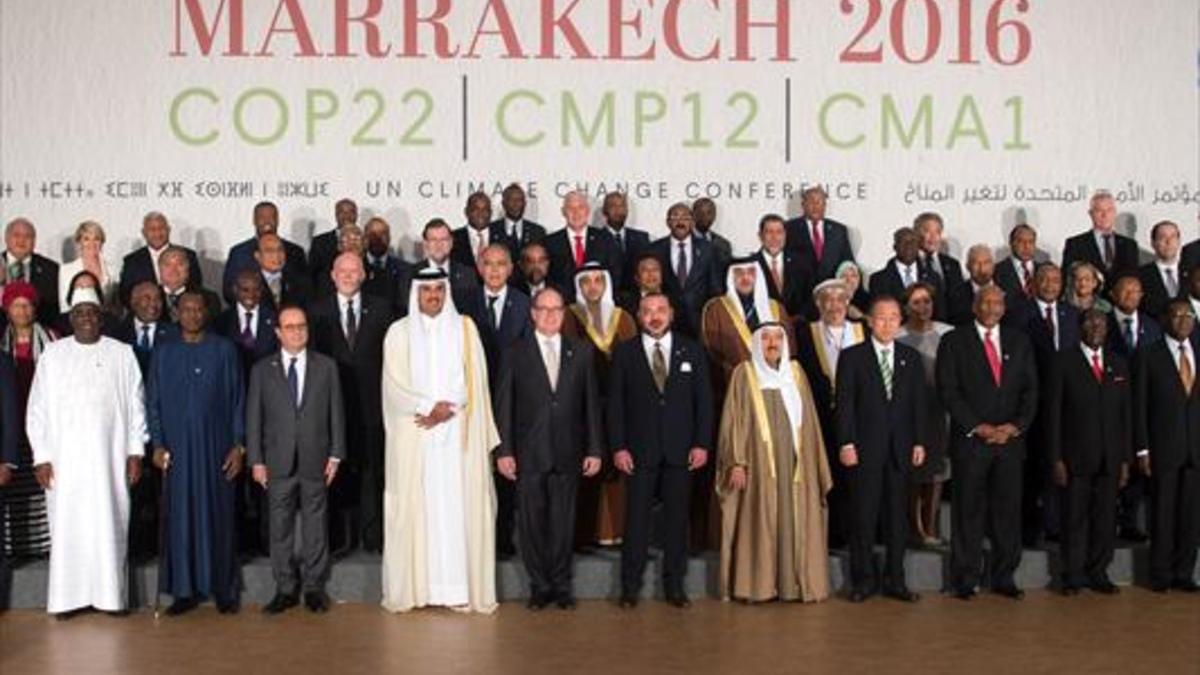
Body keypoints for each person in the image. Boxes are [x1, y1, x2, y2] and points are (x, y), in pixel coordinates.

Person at [380, 269, 499, 613]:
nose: (432, 295)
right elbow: (392, 386)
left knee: (456, 509)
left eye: (438, 289)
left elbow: (476, 378)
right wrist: (427, 408)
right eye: (426, 289)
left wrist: (448, 408)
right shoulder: (398, 333)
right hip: (416, 435)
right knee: (421, 510)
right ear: (415, 294)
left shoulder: (465, 328)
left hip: (457, 436)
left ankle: (458, 589)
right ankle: (420, 589)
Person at [28, 288, 146, 617]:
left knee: (109, 522)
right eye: (79, 313)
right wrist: (42, 456)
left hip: (110, 458)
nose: (86, 319)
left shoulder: (122, 353)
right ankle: (67, 599)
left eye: (92, 313)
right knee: (68, 524)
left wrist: (135, 451)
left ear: (101, 317)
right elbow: (37, 409)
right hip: (65, 462)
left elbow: (137, 405)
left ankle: (109, 597)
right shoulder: (53, 354)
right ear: (70, 319)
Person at [495, 287, 602, 609]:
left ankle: (560, 584)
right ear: (533, 313)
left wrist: (595, 449)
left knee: (563, 522)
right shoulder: (515, 352)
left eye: (557, 309)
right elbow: (504, 405)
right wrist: (504, 451)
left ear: (564, 313)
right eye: (543, 309)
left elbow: (591, 406)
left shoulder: (581, 352)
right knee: (531, 523)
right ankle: (539, 585)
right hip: (529, 453)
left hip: (569, 451)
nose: (551, 315)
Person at [608, 293, 712, 608]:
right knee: (636, 521)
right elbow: (615, 406)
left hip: (681, 451)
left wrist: (701, 443)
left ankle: (674, 586)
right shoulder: (624, 353)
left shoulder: (691, 350)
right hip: (638, 452)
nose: (654, 316)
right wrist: (619, 447)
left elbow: (704, 403)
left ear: (671, 314)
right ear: (639, 317)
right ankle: (629, 587)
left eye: (660, 310)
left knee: (677, 522)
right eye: (648, 311)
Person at [716, 322, 831, 603]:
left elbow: (811, 423)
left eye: (778, 338)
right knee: (761, 518)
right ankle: (760, 586)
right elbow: (734, 421)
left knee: (794, 519)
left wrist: (815, 463)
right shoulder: (745, 374)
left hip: (795, 464)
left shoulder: (796, 373)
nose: (772, 343)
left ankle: (793, 585)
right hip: (758, 465)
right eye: (765, 337)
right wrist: (737, 461)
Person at [936, 286, 1038, 600]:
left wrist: (1015, 426)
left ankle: (1004, 576)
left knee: (1007, 511)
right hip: (972, 443)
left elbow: (1031, 390)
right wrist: (977, 426)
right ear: (975, 305)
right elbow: (949, 390)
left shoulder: (1019, 341)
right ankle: (965, 578)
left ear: (1004, 308)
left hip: (1009, 443)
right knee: (968, 511)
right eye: (986, 301)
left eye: (998, 302)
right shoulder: (954, 340)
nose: (992, 307)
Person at [147, 293, 245, 615]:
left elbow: (237, 401)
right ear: (176, 313)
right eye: (186, 309)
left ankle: (223, 589)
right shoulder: (164, 353)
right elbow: (154, 404)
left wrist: (238, 445)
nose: (192, 314)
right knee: (181, 519)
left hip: (216, 449)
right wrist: (158, 444)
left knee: (218, 516)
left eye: (198, 308)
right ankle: (184, 591)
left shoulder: (224, 349)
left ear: (207, 312)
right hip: (177, 452)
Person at [248, 305, 346, 614]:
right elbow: (254, 418)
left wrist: (336, 453)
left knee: (316, 524)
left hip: (316, 458)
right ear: (278, 332)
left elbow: (336, 413)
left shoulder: (326, 366)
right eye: (289, 327)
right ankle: (285, 588)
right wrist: (256, 460)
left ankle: (314, 587)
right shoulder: (263, 369)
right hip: (276, 461)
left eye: (301, 325)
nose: (297, 331)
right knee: (280, 527)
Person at [836, 296, 926, 602]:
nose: (887, 323)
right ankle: (863, 581)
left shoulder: (910, 358)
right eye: (881, 318)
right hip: (864, 450)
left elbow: (918, 405)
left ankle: (896, 580)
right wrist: (846, 442)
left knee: (897, 519)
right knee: (863, 517)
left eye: (893, 318)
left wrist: (919, 441)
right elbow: (845, 405)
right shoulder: (852, 357)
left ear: (900, 321)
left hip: (900, 450)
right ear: (870, 322)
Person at [310, 253, 393, 555]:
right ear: (332, 274)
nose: (348, 275)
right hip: (331, 408)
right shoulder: (316, 310)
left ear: (363, 275)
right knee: (337, 473)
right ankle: (340, 538)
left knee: (373, 471)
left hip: (372, 406)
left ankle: (373, 537)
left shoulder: (383, 309)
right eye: (342, 270)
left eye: (354, 270)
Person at [1045, 308, 1131, 595]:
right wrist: (1056, 457)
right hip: (1075, 458)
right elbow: (1053, 413)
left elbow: (1124, 417)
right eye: (1090, 322)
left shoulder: (1118, 364)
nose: (1096, 327)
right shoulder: (1062, 362)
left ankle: (1099, 572)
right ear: (1079, 327)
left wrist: (1124, 461)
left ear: (1107, 328)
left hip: (1110, 457)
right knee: (1075, 519)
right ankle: (1072, 575)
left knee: (1106, 519)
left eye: (1101, 323)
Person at [562, 262, 637, 547]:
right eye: (586, 282)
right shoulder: (569, 316)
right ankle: (583, 536)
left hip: (619, 406)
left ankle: (615, 532)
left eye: (598, 281)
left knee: (617, 469)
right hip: (580, 408)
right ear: (579, 286)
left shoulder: (624, 319)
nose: (592, 287)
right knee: (586, 468)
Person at [464, 243, 531, 559]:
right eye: (487, 263)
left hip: (512, 402)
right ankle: (472, 540)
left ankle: (502, 539)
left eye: (500, 264)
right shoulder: (462, 302)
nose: (493, 270)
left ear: (510, 269)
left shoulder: (525, 304)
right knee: (472, 472)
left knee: (506, 471)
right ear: (479, 267)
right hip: (470, 401)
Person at [793, 278, 866, 547]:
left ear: (848, 303)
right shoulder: (805, 334)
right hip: (819, 418)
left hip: (858, 420)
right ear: (818, 304)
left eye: (840, 299)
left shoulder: (862, 331)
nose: (834, 305)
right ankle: (827, 536)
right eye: (828, 300)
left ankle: (854, 536)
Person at [1134, 300, 1200, 593]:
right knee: (1162, 513)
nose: (1184, 320)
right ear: (1165, 320)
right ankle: (1160, 573)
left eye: (1189, 315)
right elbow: (1139, 407)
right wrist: (1142, 449)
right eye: (1177, 315)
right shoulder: (1149, 355)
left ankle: (1184, 573)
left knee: (1191, 517)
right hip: (1163, 449)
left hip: (1196, 451)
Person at [108, 280, 176, 561]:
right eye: (145, 297)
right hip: (127, 425)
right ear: (132, 302)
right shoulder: (115, 336)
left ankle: (166, 549)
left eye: (157, 298)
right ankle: (134, 550)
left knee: (165, 491)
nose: (153, 303)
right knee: (132, 489)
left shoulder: (173, 333)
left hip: (166, 424)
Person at [1019, 263, 1079, 545]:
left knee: (1059, 464)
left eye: (1056, 279)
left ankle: (1055, 525)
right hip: (1032, 401)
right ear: (1034, 283)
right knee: (1031, 467)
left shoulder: (1072, 315)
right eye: (1045, 279)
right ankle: (1030, 528)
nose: (1051, 284)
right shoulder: (1020, 314)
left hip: (1066, 404)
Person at [896, 283, 952, 546]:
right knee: (913, 471)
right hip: (907, 413)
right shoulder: (896, 335)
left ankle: (930, 528)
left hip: (939, 410)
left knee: (937, 471)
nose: (922, 308)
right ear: (906, 306)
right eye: (916, 302)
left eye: (927, 301)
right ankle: (912, 528)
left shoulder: (947, 333)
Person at [0, 282, 46, 562]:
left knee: (37, 487)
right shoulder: (1, 345)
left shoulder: (51, 339)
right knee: (13, 487)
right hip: (10, 422)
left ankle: (39, 545)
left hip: (40, 421)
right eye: (16, 305)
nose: (22, 310)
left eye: (27, 304)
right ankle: (14, 547)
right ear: (7, 310)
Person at [703, 257, 796, 391]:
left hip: (775, 386)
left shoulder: (776, 308)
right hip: (733, 385)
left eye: (751, 272)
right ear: (731, 277)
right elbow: (711, 355)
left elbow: (789, 349)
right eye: (739, 273)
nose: (745, 277)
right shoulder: (716, 309)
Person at [651, 203, 720, 336]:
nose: (680, 221)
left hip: (700, 322)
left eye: (685, 217)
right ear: (668, 222)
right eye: (675, 217)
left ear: (693, 222)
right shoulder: (655, 249)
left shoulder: (708, 249)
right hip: (666, 321)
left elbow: (714, 287)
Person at [222, 201, 308, 304]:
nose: (267, 222)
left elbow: (305, 289)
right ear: (254, 220)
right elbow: (229, 291)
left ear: (278, 220)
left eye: (272, 217)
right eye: (262, 217)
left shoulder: (295, 251)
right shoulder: (239, 252)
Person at [544, 191, 621, 301]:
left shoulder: (605, 239)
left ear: (588, 210)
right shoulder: (550, 243)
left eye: (580, 207)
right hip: (563, 307)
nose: (576, 213)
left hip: (598, 306)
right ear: (563, 212)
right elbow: (549, 279)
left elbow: (614, 274)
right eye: (571, 208)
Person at [118, 211, 202, 307]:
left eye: (161, 228)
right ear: (144, 232)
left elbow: (196, 288)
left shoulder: (189, 255)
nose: (157, 233)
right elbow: (125, 294)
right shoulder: (131, 261)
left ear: (169, 230)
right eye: (152, 229)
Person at [1062, 191, 1140, 290]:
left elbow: (1134, 279)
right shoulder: (1075, 244)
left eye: (1109, 210)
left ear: (1114, 212)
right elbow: (1068, 279)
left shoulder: (1129, 245)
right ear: (1090, 214)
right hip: (1088, 303)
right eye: (1099, 210)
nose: (1104, 215)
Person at [216, 270, 279, 379]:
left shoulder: (275, 319)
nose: (251, 295)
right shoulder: (221, 321)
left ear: (262, 290)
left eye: (256, 289)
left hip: (267, 381)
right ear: (235, 290)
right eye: (245, 290)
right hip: (233, 381)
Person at [785, 186, 855, 282]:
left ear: (825, 205)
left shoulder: (839, 230)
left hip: (831, 292)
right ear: (803, 205)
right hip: (799, 291)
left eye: (819, 202)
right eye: (811, 201)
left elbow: (848, 263)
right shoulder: (788, 228)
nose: (815, 205)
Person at [2, 217, 60, 325]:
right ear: (6, 238)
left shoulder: (51, 269)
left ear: (34, 241)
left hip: (38, 332)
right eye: (16, 235)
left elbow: (54, 309)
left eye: (27, 236)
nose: (21, 241)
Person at [754, 213, 813, 319]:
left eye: (779, 232)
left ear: (785, 235)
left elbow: (810, 298)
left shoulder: (802, 263)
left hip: (797, 329)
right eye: (769, 232)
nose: (774, 237)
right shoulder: (750, 265)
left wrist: (797, 319)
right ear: (760, 236)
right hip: (763, 328)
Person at [413, 218, 479, 311]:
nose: (439, 245)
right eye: (433, 240)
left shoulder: (467, 274)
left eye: (443, 239)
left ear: (451, 243)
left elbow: (473, 310)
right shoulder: (411, 274)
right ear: (425, 244)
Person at [57, 220, 121, 314]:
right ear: (79, 242)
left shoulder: (113, 269)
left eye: (96, 238)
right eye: (86, 239)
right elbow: (64, 306)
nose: (92, 243)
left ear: (102, 242)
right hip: (77, 323)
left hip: (107, 323)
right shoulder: (66, 270)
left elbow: (116, 305)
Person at [913, 212, 964, 322]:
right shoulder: (909, 263)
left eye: (937, 232)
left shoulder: (953, 265)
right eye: (927, 231)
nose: (933, 237)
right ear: (916, 233)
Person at [362, 216, 413, 317]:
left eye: (383, 234)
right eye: (373, 234)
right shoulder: (356, 268)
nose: (378, 238)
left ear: (389, 238)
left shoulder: (405, 269)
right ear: (365, 238)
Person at [601, 191, 651, 291]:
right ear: (604, 211)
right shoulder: (595, 239)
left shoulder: (642, 238)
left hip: (637, 297)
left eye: (622, 206)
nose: (618, 210)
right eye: (613, 206)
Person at [1138, 220, 1186, 320]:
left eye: (1173, 237)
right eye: (1162, 237)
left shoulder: (1191, 272)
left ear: (1179, 242)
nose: (1168, 242)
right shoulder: (1141, 275)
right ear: (1153, 243)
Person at [159, 246, 220, 323]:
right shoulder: (149, 297)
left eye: (180, 264)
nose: (174, 270)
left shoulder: (208, 298)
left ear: (187, 268)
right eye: (168, 265)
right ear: (160, 269)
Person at [256, 233, 313, 312]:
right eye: (269, 251)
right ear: (257, 256)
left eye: (280, 250)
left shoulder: (300, 282)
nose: (276, 255)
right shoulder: (251, 282)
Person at [308, 198, 359, 286]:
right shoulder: (319, 242)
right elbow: (312, 275)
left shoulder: (365, 240)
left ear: (356, 215)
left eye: (351, 212)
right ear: (336, 215)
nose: (347, 216)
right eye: (342, 212)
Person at [451, 191, 504, 274]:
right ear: (466, 212)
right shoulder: (453, 238)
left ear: (491, 213)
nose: (481, 214)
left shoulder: (503, 238)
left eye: (485, 209)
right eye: (475, 209)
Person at [490, 183, 546, 260]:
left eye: (519, 200)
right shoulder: (491, 230)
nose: (515, 204)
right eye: (511, 200)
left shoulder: (537, 232)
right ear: (503, 203)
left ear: (525, 204)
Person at [946, 244, 998, 326]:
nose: (982, 269)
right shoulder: (954, 295)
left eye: (986, 262)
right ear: (968, 266)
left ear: (993, 266)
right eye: (976, 263)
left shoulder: (1007, 290)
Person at [868, 227, 922, 302]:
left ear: (919, 246)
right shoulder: (878, 280)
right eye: (903, 241)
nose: (909, 245)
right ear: (895, 247)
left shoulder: (933, 277)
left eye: (913, 241)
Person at [691, 197, 733, 266]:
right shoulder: (682, 243)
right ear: (693, 215)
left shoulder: (723, 245)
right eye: (700, 213)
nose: (705, 217)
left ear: (715, 215)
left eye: (709, 213)